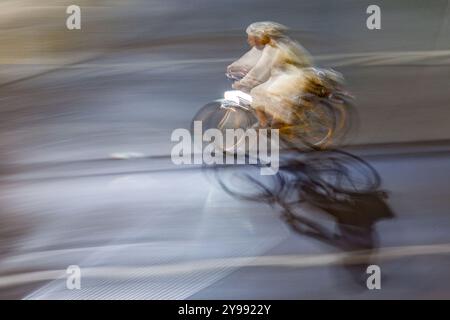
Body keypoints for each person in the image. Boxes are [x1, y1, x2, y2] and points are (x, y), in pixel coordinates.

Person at [227, 22, 313, 128]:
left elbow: (262, 68)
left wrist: (244, 82)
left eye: (251, 38)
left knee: (271, 93)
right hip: (282, 76)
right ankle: (265, 123)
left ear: (261, 37)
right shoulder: (269, 45)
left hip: (293, 76)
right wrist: (233, 67)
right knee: (257, 92)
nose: (249, 41)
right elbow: (250, 58)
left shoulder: (276, 47)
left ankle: (281, 123)